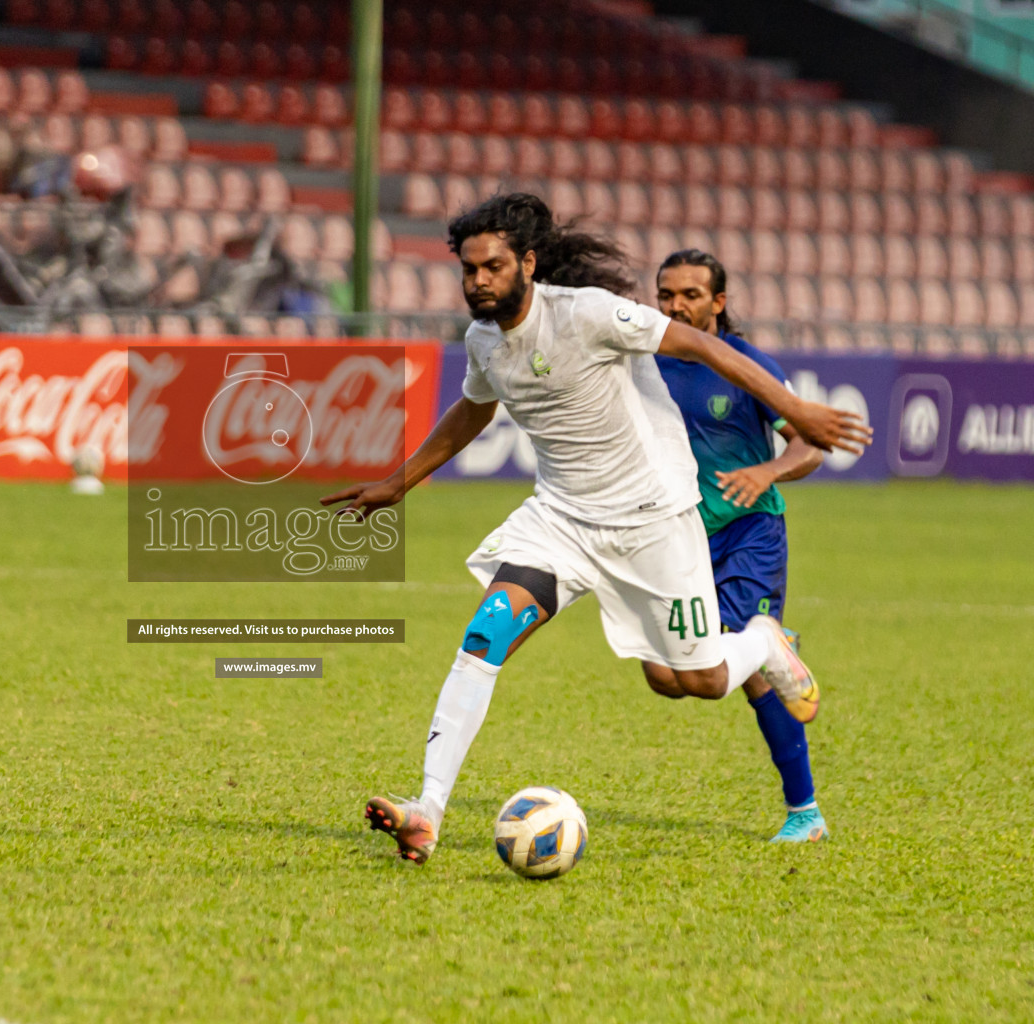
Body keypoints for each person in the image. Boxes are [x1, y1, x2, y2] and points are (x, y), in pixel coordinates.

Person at [320, 194, 870, 865]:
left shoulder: (584, 313)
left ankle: (765, 642)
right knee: (484, 635)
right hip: (561, 520)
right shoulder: (483, 341)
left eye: (492, 267)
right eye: (469, 271)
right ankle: (427, 811)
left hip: (653, 522)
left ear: (526, 263)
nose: (478, 282)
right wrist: (398, 482)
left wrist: (796, 411)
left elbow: (698, 343)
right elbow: (471, 410)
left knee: (694, 681)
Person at [650, 249, 828, 842]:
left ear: (718, 302)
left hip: (750, 534)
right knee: (665, 677)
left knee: (741, 671)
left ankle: (805, 813)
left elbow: (810, 444)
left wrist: (768, 473)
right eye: (666, 295)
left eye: (691, 295)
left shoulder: (748, 366)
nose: (676, 306)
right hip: (679, 539)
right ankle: (768, 643)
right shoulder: (644, 364)